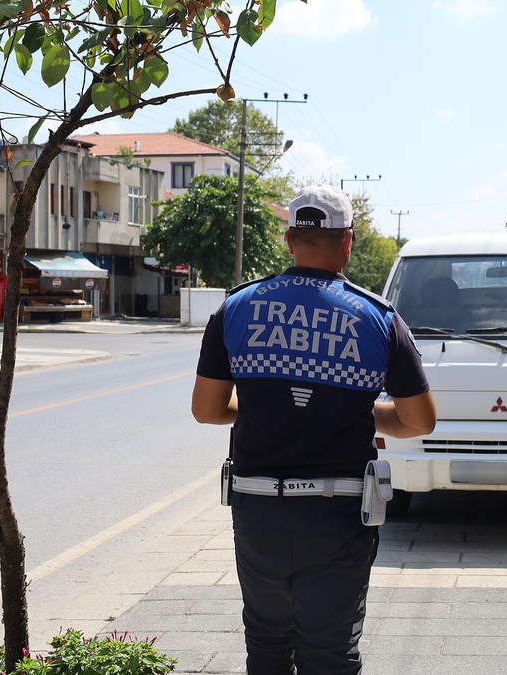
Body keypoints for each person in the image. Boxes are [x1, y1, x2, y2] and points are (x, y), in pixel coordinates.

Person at [191, 184, 436, 674]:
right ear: (348, 242)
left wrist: (263, 408)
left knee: (266, 646)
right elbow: (418, 420)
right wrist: (357, 412)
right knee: (329, 654)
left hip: (257, 512)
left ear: (289, 240)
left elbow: (208, 410)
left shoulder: (236, 308)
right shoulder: (378, 319)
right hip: (337, 517)